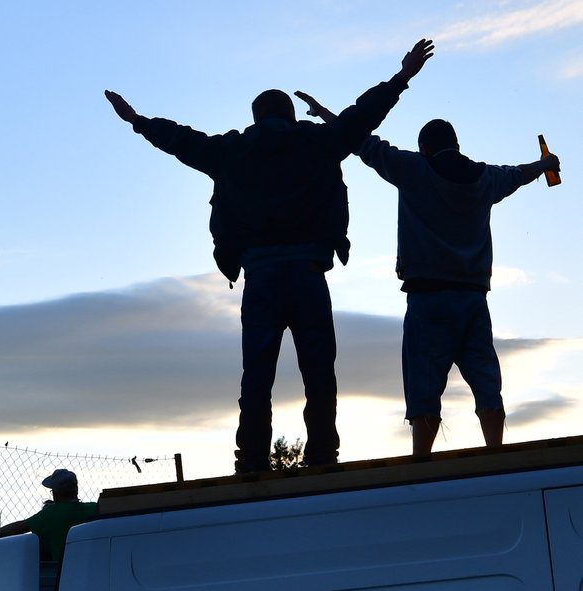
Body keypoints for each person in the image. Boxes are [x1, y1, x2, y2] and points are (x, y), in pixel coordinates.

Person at [105, 39, 435, 473]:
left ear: (256, 117)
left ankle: (252, 461)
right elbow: (362, 116)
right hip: (308, 273)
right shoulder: (318, 142)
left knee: (256, 376)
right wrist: (402, 77)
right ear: (291, 116)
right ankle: (322, 455)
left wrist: (138, 122)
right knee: (319, 373)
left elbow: (182, 141)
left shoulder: (232, 151)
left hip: (260, 277)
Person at [295, 93, 562, 456]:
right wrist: (544, 162)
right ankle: (496, 452)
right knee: (485, 380)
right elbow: (519, 175)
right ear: (456, 145)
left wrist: (326, 113)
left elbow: (360, 141)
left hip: (427, 299)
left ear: (423, 149)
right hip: (473, 299)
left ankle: (422, 460)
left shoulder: (412, 170)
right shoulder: (485, 179)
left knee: (423, 387)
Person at [0, 469, 97, 561]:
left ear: (55, 493)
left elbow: (16, 528)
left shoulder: (50, 514)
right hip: (93, 563)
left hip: (63, 570)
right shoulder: (95, 508)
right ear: (76, 489)